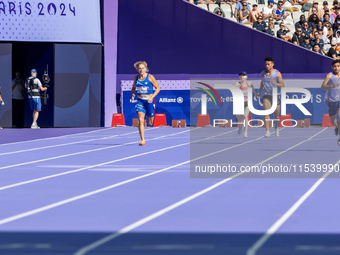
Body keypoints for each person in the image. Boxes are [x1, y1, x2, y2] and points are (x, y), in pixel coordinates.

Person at [131, 61, 160, 146]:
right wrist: (133, 94)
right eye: (139, 68)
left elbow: (158, 88)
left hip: (149, 101)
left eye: (143, 68)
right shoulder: (136, 78)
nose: (141, 70)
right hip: (140, 100)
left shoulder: (150, 77)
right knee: (140, 119)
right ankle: (142, 139)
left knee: (150, 123)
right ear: (137, 69)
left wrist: (152, 97)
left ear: (145, 69)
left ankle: (150, 117)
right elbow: (133, 87)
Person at [257, 57, 285, 137]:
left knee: (276, 115)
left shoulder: (277, 73)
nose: (267, 66)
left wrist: (274, 83)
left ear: (272, 64)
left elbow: (282, 85)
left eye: (268, 64)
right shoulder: (262, 73)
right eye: (266, 64)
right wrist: (259, 91)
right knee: (266, 112)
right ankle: (267, 131)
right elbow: (262, 83)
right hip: (266, 95)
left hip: (276, 95)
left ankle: (276, 128)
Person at [321, 59, 340, 145]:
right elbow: (323, 86)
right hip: (332, 101)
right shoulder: (329, 75)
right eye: (335, 66)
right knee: (333, 121)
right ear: (332, 67)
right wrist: (332, 85)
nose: (336, 68)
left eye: (338, 66)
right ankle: (336, 126)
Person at [235, 71, 257, 138]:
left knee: (245, 116)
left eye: (243, 75)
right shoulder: (237, 83)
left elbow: (253, 89)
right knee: (239, 118)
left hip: (247, 102)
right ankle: (240, 127)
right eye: (241, 75)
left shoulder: (249, 83)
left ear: (246, 77)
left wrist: (256, 94)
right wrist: (239, 85)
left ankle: (245, 132)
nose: (242, 76)